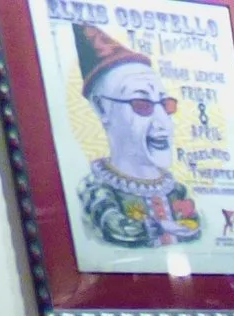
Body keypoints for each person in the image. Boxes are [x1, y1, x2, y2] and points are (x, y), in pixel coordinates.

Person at [72, 23, 202, 250]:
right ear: (102, 108)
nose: (163, 122)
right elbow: (113, 226)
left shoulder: (176, 189)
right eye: (142, 103)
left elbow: (194, 226)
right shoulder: (96, 189)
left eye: (164, 103)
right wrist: (160, 226)